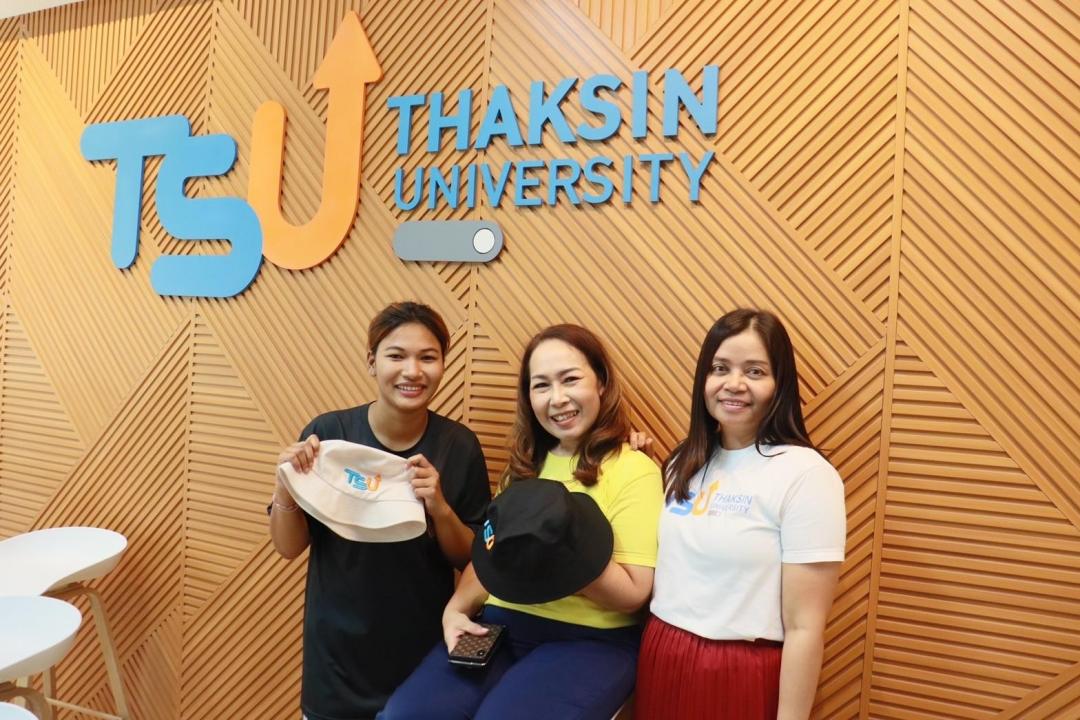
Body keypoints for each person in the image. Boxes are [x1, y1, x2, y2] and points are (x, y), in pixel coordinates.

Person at [380, 324, 664, 720]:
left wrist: (559, 551)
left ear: (600, 382)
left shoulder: (635, 470)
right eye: (541, 385)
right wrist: (455, 610)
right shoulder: (525, 470)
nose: (557, 398)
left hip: (590, 638)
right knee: (406, 714)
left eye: (570, 379)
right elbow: (489, 557)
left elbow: (633, 594)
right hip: (501, 625)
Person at [270, 301, 491, 720]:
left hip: (422, 655)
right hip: (335, 661)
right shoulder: (330, 435)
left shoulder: (458, 446)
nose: (412, 371)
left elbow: (470, 557)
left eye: (428, 357)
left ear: (443, 364)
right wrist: (286, 484)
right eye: (396, 356)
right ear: (372, 362)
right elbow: (288, 547)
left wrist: (439, 507)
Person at [635, 308, 846, 720]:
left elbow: (805, 628)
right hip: (662, 651)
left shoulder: (807, 475)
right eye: (720, 368)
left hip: (741, 669)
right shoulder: (683, 461)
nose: (734, 384)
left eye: (754, 371)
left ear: (779, 383)